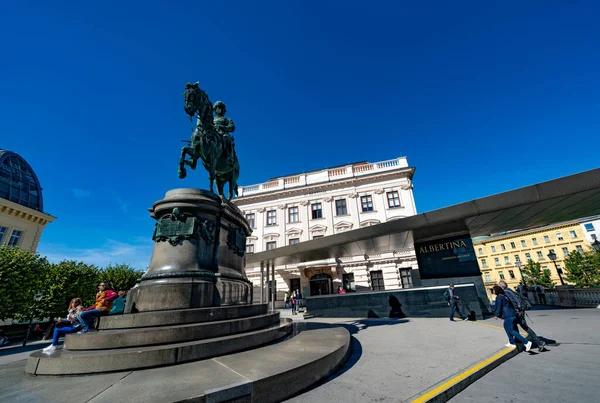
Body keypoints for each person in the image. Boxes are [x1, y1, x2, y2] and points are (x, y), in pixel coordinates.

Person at [499, 280, 545, 352]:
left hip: (518, 312)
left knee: (524, 327)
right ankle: (519, 342)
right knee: (514, 326)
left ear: (501, 286)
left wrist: (517, 311)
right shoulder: (510, 290)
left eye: (499, 286)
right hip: (518, 311)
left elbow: (514, 302)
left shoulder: (506, 292)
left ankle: (539, 342)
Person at [492, 285, 532, 351]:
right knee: (506, 327)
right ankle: (512, 342)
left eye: (493, 290)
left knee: (511, 330)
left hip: (508, 315)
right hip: (511, 314)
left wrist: (496, 315)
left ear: (496, 290)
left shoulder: (499, 297)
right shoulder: (504, 296)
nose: (493, 291)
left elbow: (499, 307)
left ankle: (526, 342)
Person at [213, 101, 236, 165]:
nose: (221, 109)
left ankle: (229, 157)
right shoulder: (212, 119)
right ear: (215, 109)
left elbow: (232, 127)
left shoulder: (227, 120)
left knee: (227, 138)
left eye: (223, 108)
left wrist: (222, 127)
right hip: (213, 135)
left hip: (223, 134)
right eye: (219, 107)